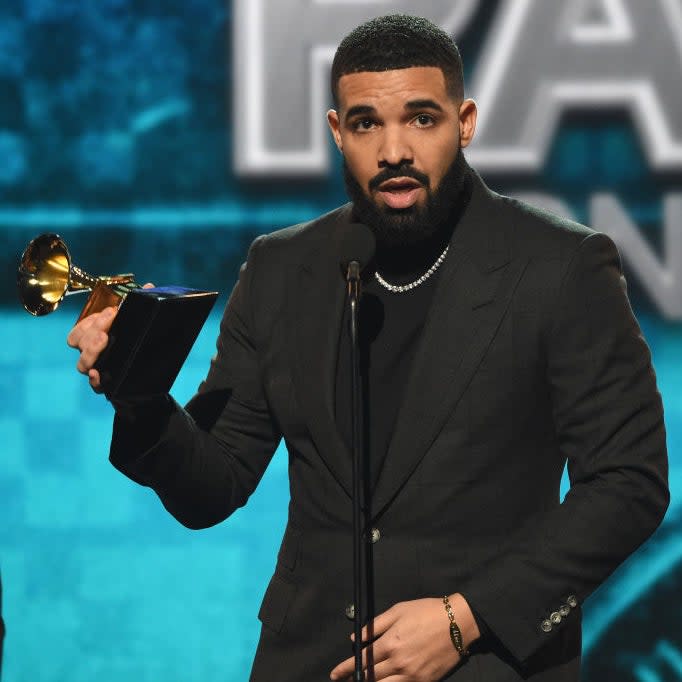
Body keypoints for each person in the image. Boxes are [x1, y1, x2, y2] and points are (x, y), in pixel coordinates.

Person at [67, 14, 669, 682]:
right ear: (336, 132)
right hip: (306, 660)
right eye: (365, 124)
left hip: (480, 663)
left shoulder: (561, 266)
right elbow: (213, 486)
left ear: (464, 121)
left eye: (421, 119)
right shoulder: (281, 268)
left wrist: (464, 619)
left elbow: (628, 483)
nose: (393, 151)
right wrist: (140, 392)